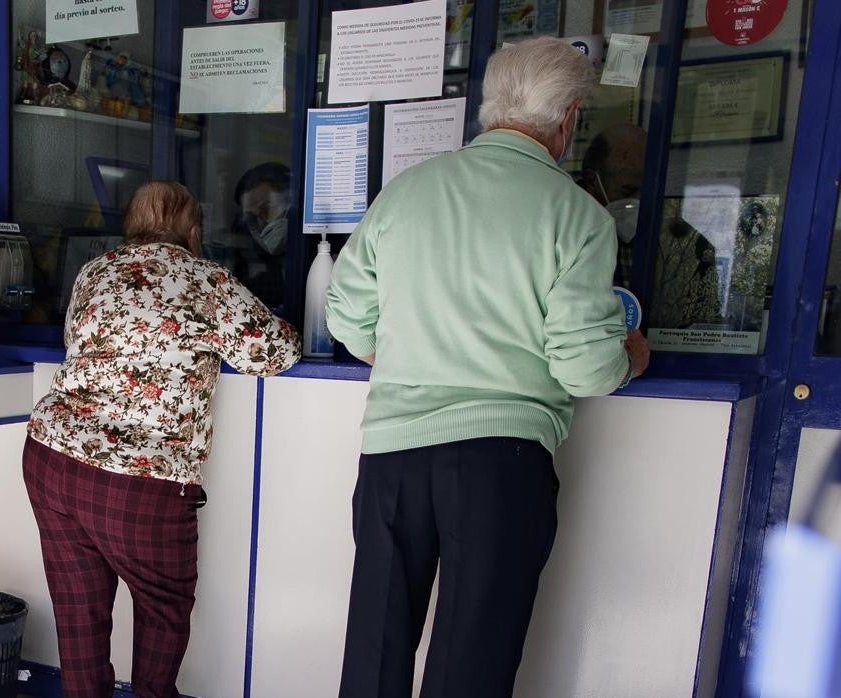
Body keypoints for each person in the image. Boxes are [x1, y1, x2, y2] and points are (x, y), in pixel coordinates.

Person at [326, 37, 650, 698]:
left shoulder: (407, 192)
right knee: (469, 667)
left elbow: (346, 317)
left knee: (374, 653)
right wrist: (632, 354)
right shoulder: (577, 218)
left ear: (488, 109)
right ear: (568, 121)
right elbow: (585, 369)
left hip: (392, 456)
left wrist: (416, 353)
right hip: (499, 466)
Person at [23, 181, 300, 698]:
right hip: (140, 481)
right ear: (193, 232)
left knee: (78, 611)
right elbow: (274, 352)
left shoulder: (94, 271)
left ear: (131, 228)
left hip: (51, 457)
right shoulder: (204, 278)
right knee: (162, 608)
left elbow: (75, 343)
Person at [580, 123, 648, 288]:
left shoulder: (674, 240)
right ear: (591, 181)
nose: (637, 201)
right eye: (627, 191)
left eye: (646, 193)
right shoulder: (564, 231)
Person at [231, 162, 292, 308]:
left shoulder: (324, 261)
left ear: (292, 200)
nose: (261, 225)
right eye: (252, 218)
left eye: (267, 208)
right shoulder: (257, 286)